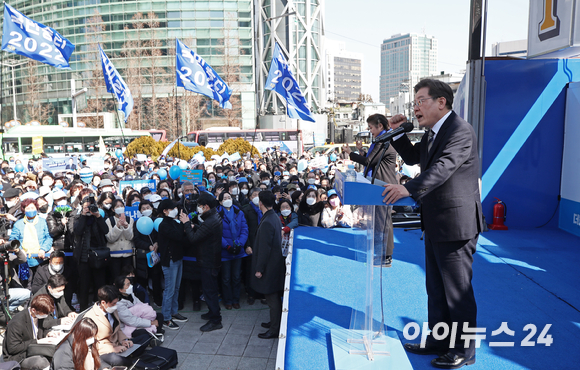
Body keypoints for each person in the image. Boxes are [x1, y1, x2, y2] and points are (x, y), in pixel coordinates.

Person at [382, 79, 484, 369]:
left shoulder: (460, 131)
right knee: (436, 288)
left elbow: (443, 167)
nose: (416, 107)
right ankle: (440, 339)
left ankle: (465, 349)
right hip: (436, 221)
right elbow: (416, 158)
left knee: (457, 290)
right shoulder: (431, 132)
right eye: (414, 102)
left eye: (421, 101)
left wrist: (408, 188)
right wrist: (397, 132)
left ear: (442, 102)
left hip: (457, 223)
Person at [343, 113, 398, 267]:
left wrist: (350, 153)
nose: (370, 131)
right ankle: (382, 254)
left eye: (371, 128)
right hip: (379, 184)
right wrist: (361, 151)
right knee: (381, 221)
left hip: (383, 185)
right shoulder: (381, 140)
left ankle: (386, 256)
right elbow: (372, 160)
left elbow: (368, 161)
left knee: (384, 221)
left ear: (380, 126)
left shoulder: (384, 140)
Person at [182, 192, 223, 332]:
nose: (198, 208)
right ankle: (212, 312)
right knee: (209, 289)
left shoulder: (210, 220)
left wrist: (187, 223)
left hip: (208, 261)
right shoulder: (214, 216)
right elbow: (205, 233)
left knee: (209, 291)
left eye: (199, 206)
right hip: (211, 259)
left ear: (206, 206)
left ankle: (216, 320)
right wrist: (196, 227)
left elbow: (194, 239)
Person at [250, 191, 284, 339]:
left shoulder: (268, 221)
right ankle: (274, 322)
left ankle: (274, 329)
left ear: (261, 203)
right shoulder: (273, 217)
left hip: (270, 266)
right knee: (273, 297)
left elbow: (264, 248)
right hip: (274, 264)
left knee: (272, 299)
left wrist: (259, 269)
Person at [83, 285, 143, 368]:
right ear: (103, 303)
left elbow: (118, 329)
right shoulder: (89, 317)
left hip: (118, 345)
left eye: (116, 303)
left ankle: (132, 358)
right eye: (113, 303)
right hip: (105, 351)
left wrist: (124, 340)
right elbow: (91, 343)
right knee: (118, 360)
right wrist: (113, 349)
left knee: (144, 338)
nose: (116, 305)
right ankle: (132, 360)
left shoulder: (112, 310)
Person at [71, 194, 109, 311]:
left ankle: (101, 309)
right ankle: (83, 309)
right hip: (83, 257)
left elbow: (105, 230)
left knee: (100, 285)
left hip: (98, 256)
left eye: (91, 206)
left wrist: (97, 215)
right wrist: (83, 215)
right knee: (84, 286)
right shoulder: (77, 217)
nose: (89, 208)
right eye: (86, 206)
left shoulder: (99, 217)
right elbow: (77, 231)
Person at [157, 199, 189, 330]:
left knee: (176, 288)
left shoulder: (174, 222)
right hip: (169, 260)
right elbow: (178, 236)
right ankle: (165, 317)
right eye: (172, 208)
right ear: (165, 211)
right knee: (169, 290)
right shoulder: (164, 225)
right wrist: (184, 224)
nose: (175, 211)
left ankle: (174, 312)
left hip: (178, 258)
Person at [2, 294, 54, 370]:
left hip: (35, 348)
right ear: (33, 310)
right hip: (20, 355)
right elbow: (13, 348)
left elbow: (41, 328)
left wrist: (48, 333)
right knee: (41, 362)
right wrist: (37, 342)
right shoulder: (17, 322)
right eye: (45, 314)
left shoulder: (39, 314)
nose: (46, 316)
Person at [9, 198, 53, 287]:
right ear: (23, 210)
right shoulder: (18, 224)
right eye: (28, 208)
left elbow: (48, 237)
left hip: (41, 259)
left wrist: (43, 249)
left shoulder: (43, 222)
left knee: (41, 284)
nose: (30, 210)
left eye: (32, 208)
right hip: (24, 260)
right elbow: (13, 240)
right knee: (27, 286)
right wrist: (20, 250)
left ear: (36, 209)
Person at [217, 191, 248, 310]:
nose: (227, 199)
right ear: (220, 201)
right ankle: (228, 300)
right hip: (225, 252)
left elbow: (245, 229)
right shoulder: (218, 214)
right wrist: (227, 246)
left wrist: (240, 243)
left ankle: (236, 299)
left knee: (236, 277)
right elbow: (217, 233)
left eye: (229, 197)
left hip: (238, 250)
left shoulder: (239, 212)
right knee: (226, 278)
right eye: (224, 198)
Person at [105, 199, 134, 282]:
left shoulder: (130, 220)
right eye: (117, 206)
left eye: (121, 206)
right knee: (116, 278)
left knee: (128, 278)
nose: (120, 208)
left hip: (127, 254)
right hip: (114, 256)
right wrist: (117, 227)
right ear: (113, 209)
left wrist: (126, 227)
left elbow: (130, 237)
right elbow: (110, 238)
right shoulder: (109, 221)